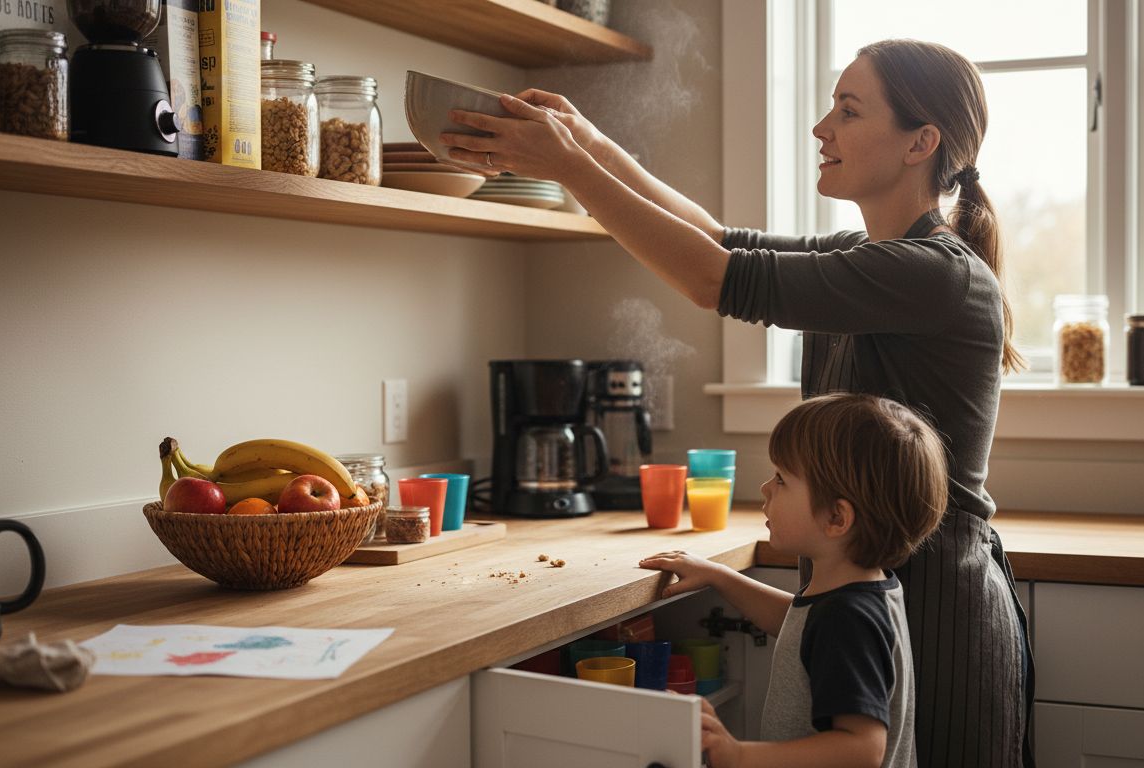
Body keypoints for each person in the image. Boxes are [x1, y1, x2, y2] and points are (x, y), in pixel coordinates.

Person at [442, 38, 1033, 767]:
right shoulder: (871, 256)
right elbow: (719, 240)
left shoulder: (932, 272)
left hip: (939, 608)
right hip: (878, 585)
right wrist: (588, 142)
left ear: (921, 142)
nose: (821, 128)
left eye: (849, 111)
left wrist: (568, 165)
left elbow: (713, 276)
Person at [640, 393, 948, 768]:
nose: (765, 487)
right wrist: (719, 576)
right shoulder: (862, 591)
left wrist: (739, 755)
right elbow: (800, 625)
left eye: (782, 479)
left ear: (836, 518)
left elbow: (863, 749)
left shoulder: (846, 618)